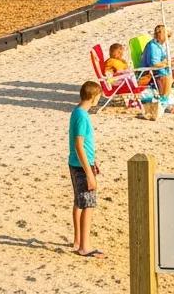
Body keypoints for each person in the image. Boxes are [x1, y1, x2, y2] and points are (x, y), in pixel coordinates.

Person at [69, 80, 104, 258]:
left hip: (77, 163)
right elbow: (79, 145)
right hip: (82, 166)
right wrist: (89, 173)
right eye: (99, 96)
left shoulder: (77, 111)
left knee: (79, 202)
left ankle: (77, 241)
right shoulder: (82, 116)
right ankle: (85, 246)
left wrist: (93, 160)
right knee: (88, 205)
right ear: (93, 97)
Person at [141, 23, 174, 105]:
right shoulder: (153, 46)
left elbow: (163, 60)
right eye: (166, 35)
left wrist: (172, 61)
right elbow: (154, 65)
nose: (168, 38)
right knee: (168, 76)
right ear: (160, 35)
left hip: (163, 71)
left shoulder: (160, 45)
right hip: (154, 75)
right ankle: (165, 101)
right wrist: (168, 63)